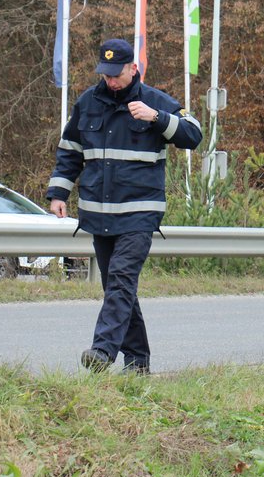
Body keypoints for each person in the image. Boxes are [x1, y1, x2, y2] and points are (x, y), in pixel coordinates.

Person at [47, 38, 202, 374]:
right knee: (118, 289)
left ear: (134, 68)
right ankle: (138, 361)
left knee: (120, 280)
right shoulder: (87, 102)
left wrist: (157, 118)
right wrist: (59, 193)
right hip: (98, 214)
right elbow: (70, 150)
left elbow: (193, 135)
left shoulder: (155, 101)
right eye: (106, 74)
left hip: (138, 214)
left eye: (116, 74)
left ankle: (103, 351)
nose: (111, 80)